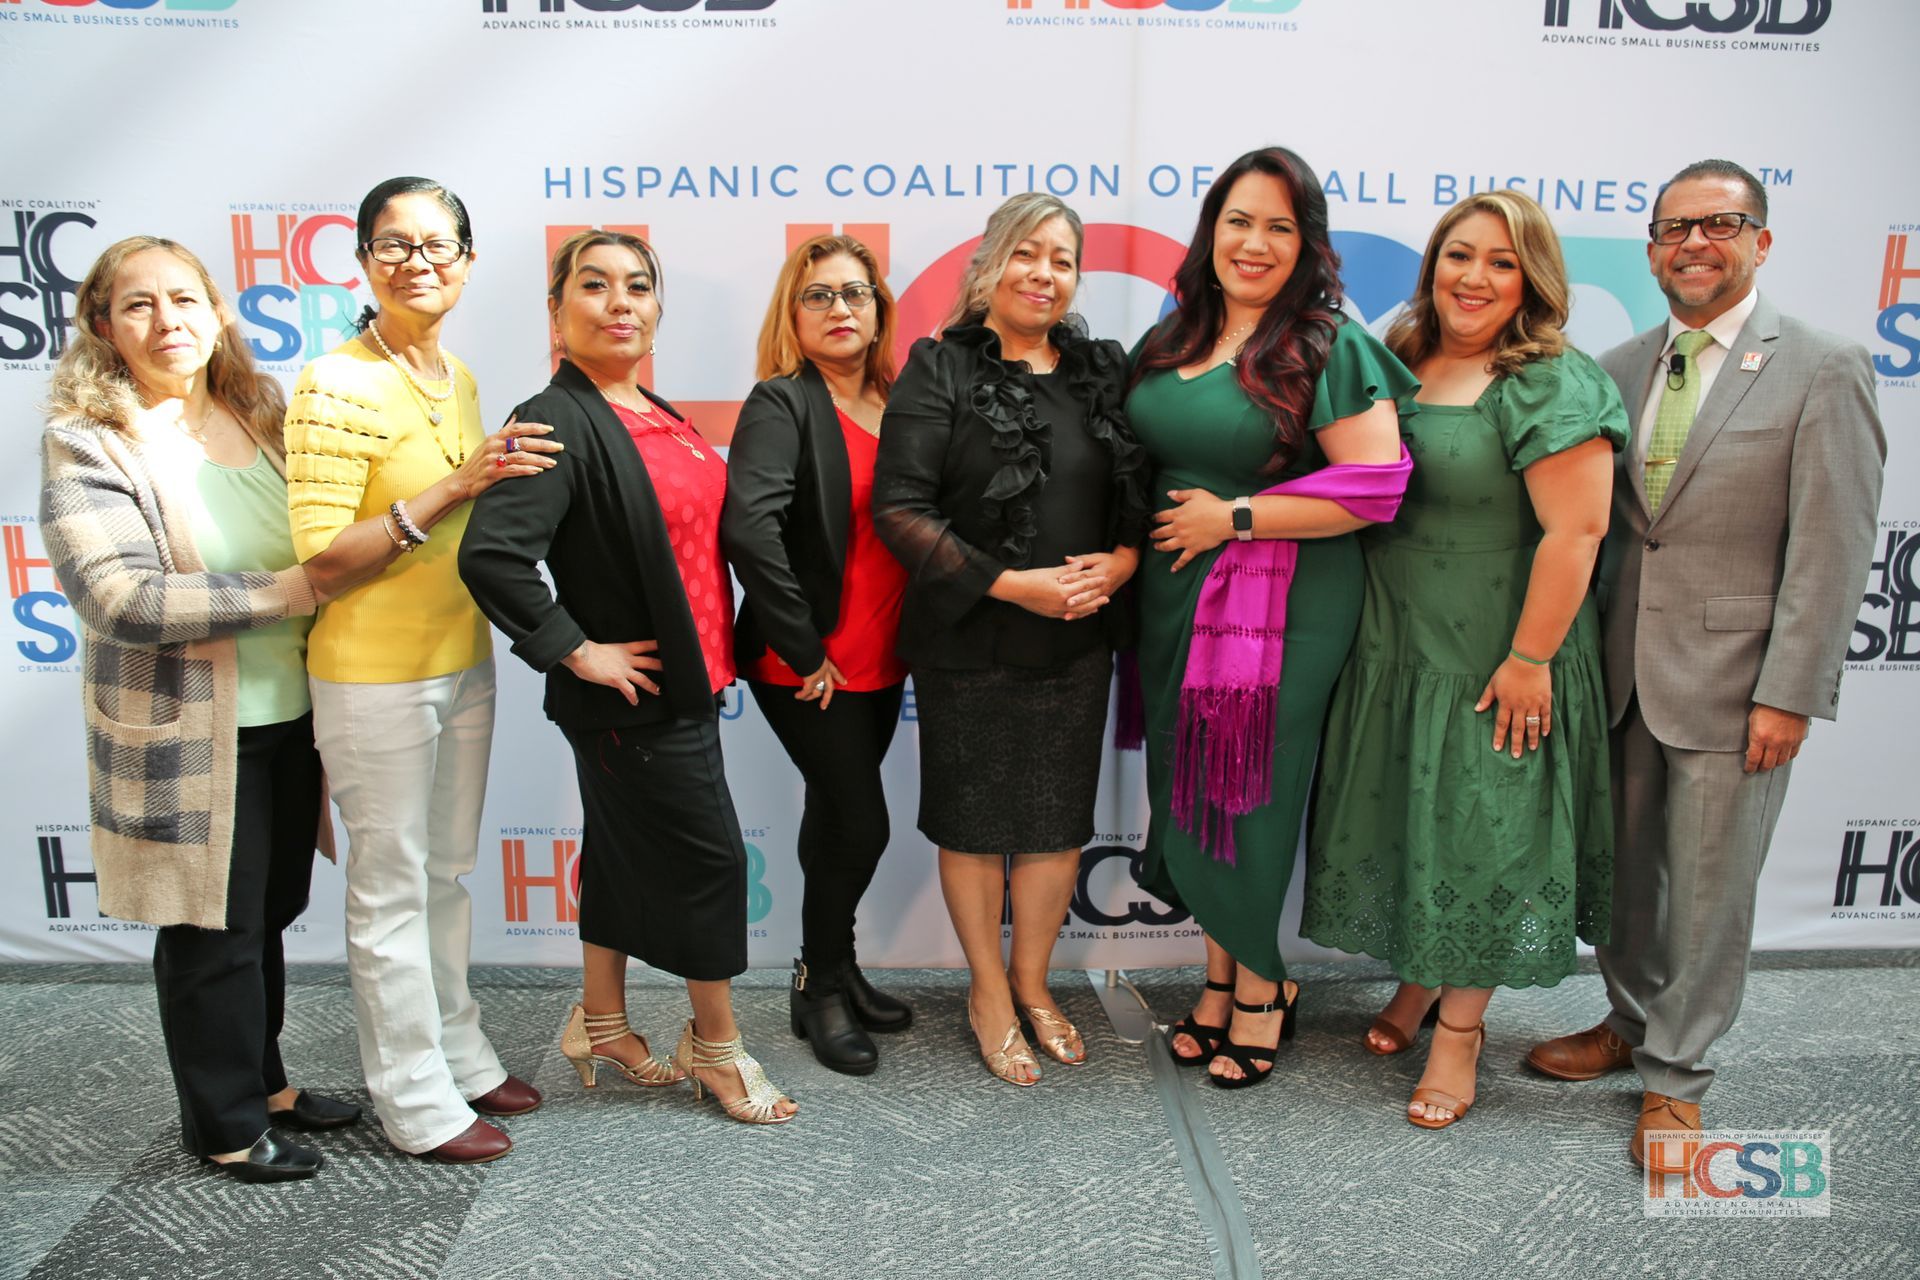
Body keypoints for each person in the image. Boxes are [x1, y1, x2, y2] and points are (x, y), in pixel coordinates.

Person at [1524, 160, 1886, 1171]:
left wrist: (1790, 691)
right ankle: (1631, 1021)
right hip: (1622, 672)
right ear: (1650, 250)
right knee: (1629, 879)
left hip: (1739, 687)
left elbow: (1833, 543)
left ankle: (1678, 1076)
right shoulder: (1619, 364)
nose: (1694, 243)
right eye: (1674, 228)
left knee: (1713, 889)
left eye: (1719, 225)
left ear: (1760, 241)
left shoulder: (1823, 364)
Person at [40, 236, 373, 1182]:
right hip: (189, 730)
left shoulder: (257, 411)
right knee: (208, 931)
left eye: (184, 299)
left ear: (218, 311)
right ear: (103, 326)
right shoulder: (88, 440)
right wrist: (294, 589)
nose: (166, 321)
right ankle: (224, 1124)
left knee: (267, 911)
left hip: (290, 716)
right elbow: (124, 599)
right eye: (137, 305)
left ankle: (263, 1081)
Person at [1302, 191, 1627, 1128]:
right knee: (1416, 817)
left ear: (1532, 281)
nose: (1473, 278)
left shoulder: (1549, 380)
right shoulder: (1401, 355)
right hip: (1397, 638)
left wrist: (1530, 660)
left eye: (1499, 262)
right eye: (1458, 255)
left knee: (1485, 837)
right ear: (1432, 265)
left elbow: (1579, 531)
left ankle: (1459, 1035)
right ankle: (1415, 984)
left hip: (1497, 649)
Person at [460, 230, 797, 1125]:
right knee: (711, 864)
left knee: (616, 857)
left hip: (682, 683)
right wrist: (578, 648)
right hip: (628, 697)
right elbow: (494, 557)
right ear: (556, 311)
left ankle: (601, 1022)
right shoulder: (554, 417)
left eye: (638, 287)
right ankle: (716, 1049)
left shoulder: (652, 409)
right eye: (595, 285)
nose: (620, 302)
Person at [284, 177, 562, 1164]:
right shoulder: (333, 382)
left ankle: (460, 1048)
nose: (419, 261)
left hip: (464, 659)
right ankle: (412, 1096)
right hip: (371, 676)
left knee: (445, 871)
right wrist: (455, 485)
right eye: (395, 245)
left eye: (439, 244)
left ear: (469, 262)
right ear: (363, 263)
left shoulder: (464, 378)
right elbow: (319, 561)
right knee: (391, 884)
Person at [1127, 146, 1414, 1090]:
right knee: (1194, 785)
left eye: (1279, 227)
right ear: (1211, 232)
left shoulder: (1328, 346)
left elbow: (1374, 490)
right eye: (1239, 221)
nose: (1254, 244)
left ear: (1307, 245)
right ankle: (1218, 979)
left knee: (1247, 785)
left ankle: (1261, 989)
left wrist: (1232, 517)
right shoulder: (1171, 341)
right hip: (1174, 598)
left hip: (1280, 604)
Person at [873, 193, 1147, 1086]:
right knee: (975, 823)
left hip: (1078, 638)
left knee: (1056, 822)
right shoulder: (938, 367)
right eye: (1028, 254)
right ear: (990, 262)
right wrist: (1006, 583)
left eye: (1063, 260)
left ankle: (1033, 981)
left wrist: (1124, 560)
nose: (1046, 273)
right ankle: (987, 990)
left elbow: (1136, 491)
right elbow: (899, 509)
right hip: (972, 636)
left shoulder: (1101, 369)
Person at [721, 234, 913, 1076]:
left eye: (854, 294)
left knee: (835, 818)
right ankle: (815, 982)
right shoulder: (782, 402)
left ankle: (836, 968)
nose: (840, 310)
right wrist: (803, 649)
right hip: (808, 664)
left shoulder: (900, 403)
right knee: (861, 820)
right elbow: (749, 531)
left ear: (879, 312)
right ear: (792, 317)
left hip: (884, 654)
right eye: (818, 297)